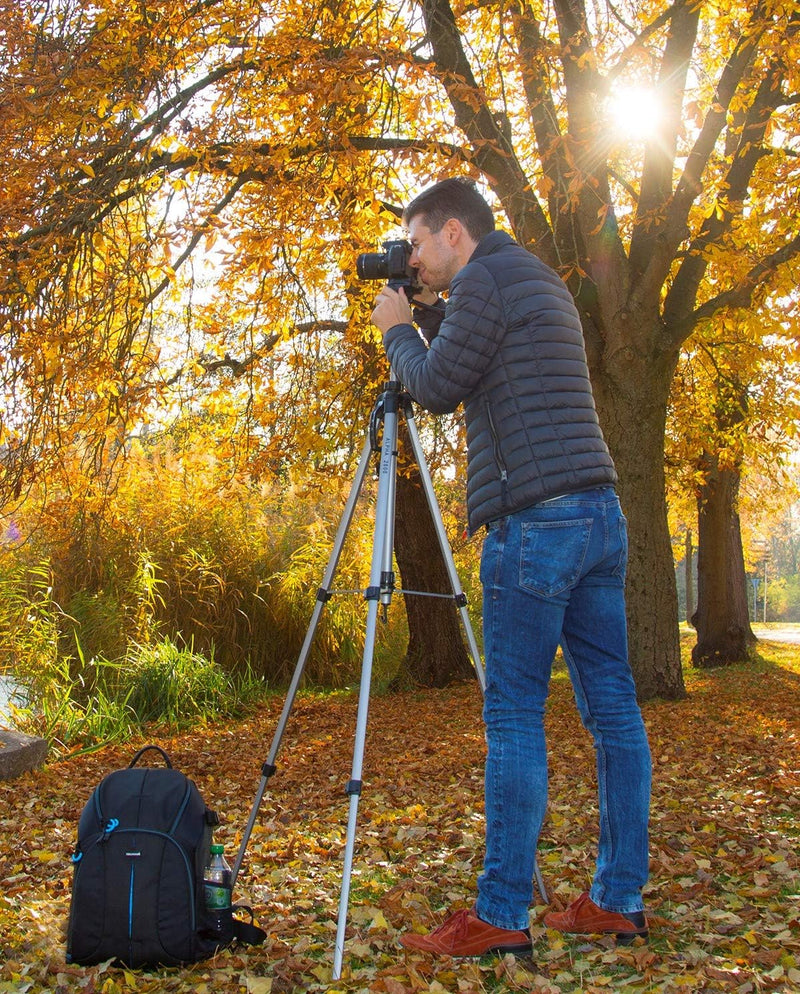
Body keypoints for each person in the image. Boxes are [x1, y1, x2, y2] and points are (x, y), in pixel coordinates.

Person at [369, 178, 652, 958]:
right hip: (598, 513)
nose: (413, 259)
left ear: (453, 232)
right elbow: (480, 352)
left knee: (515, 715)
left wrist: (397, 328)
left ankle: (499, 912)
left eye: (418, 244)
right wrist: (426, 308)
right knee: (614, 713)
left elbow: (434, 386)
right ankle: (618, 899)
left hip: (535, 521)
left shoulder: (485, 280)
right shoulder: (529, 276)